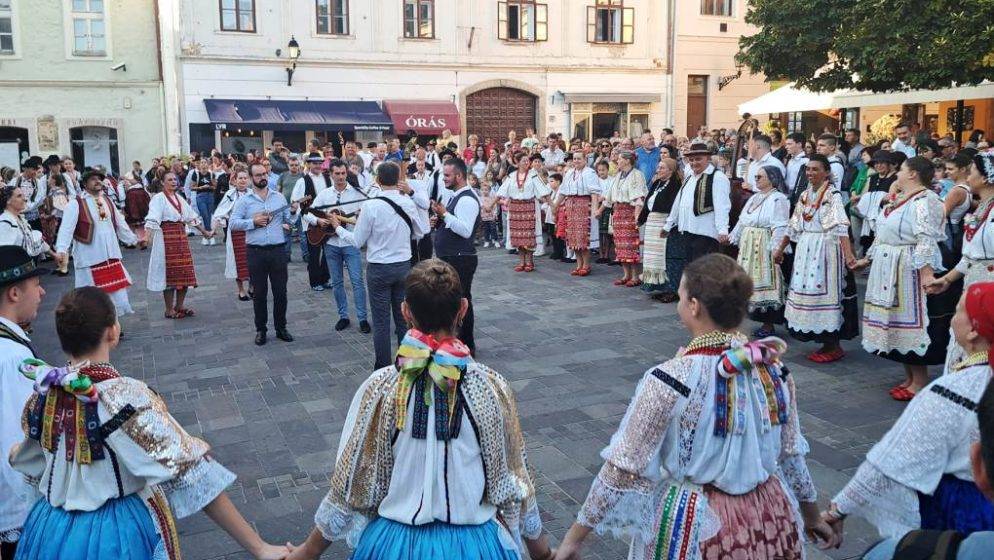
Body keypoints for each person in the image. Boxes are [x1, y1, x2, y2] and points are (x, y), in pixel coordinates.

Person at [555, 254, 833, 560]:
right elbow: (791, 455)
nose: (678, 303)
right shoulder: (774, 369)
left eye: (681, 296)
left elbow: (623, 467)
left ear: (694, 306)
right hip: (769, 516)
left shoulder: (670, 378)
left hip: (698, 523)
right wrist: (811, 516)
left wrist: (574, 538)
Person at [285, 260, 551, 560]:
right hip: (474, 546)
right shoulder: (491, 388)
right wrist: (542, 552)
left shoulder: (383, 387)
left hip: (393, 545)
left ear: (405, 311)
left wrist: (308, 552)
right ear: (463, 309)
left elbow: (355, 484)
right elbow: (514, 479)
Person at [8, 287, 291, 560]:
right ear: (112, 332)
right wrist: (259, 548)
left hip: (49, 528)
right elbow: (189, 471)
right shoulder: (122, 396)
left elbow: (29, 464)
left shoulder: (44, 396)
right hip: (115, 533)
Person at [823, 283, 994, 551]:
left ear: (973, 329)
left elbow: (894, 462)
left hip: (968, 513)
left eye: (957, 310)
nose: (952, 317)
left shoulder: (952, 392)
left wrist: (838, 509)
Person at [854, 157, 949, 400]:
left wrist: (927, 273)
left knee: (911, 322)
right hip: (890, 263)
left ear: (913, 174)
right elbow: (883, 233)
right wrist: (868, 258)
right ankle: (909, 376)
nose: (897, 174)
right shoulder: (900, 199)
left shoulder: (925, 200)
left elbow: (926, 238)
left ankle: (919, 379)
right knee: (895, 322)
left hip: (908, 266)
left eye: (902, 170)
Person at [329, 162, 427, 369]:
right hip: (403, 265)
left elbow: (357, 241)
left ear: (378, 180)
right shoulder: (407, 203)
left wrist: (338, 228)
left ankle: (382, 367)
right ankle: (407, 366)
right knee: (403, 319)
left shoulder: (371, 206)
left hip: (379, 268)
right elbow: (420, 232)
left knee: (381, 322)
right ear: (398, 180)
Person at [774, 154, 859, 363]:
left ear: (827, 172)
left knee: (827, 295)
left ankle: (833, 344)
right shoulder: (805, 195)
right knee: (809, 292)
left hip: (826, 249)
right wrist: (780, 249)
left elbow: (840, 226)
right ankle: (823, 341)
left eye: (815, 169)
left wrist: (848, 256)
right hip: (807, 249)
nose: (810, 173)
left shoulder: (832, 195)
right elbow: (793, 225)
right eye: (808, 169)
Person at [927, 152, 994, 371]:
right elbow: (970, 257)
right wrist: (947, 279)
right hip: (973, 283)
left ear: (985, 178)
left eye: (972, 171)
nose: (968, 177)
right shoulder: (983, 208)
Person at [0, 246, 45, 560]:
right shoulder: (13, 358)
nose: (42, 292)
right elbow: (16, 445)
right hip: (20, 513)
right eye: (35, 286)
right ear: (14, 293)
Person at [55, 169, 138, 318]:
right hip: (89, 257)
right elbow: (66, 228)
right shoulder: (75, 204)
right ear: (85, 184)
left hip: (111, 255)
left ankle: (113, 325)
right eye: (93, 179)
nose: (97, 181)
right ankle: (97, 327)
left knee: (115, 294)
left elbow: (120, 223)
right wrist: (61, 249)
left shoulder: (107, 200)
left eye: (99, 178)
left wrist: (132, 239)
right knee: (91, 296)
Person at [230, 163, 294, 346]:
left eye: (264, 174)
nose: (262, 177)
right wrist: (252, 222)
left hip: (277, 250)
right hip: (255, 252)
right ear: (251, 178)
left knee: (281, 292)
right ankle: (261, 329)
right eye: (257, 175)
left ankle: (281, 327)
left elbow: (288, 220)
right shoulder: (244, 201)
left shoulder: (279, 198)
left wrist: (294, 215)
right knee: (259, 293)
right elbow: (234, 223)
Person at [305, 159, 371, 333]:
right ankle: (343, 316)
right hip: (331, 244)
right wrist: (318, 220)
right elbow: (307, 213)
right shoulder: (325, 194)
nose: (341, 177)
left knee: (357, 281)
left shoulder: (358, 194)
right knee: (337, 282)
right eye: (337, 174)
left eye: (343, 173)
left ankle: (363, 318)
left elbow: (366, 217)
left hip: (350, 242)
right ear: (331, 174)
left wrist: (359, 218)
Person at [662, 142, 731, 295]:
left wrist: (722, 229)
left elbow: (722, 205)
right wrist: (668, 224)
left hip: (705, 231)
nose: (694, 163)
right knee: (692, 266)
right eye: (691, 160)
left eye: (698, 159)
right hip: (688, 229)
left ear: (707, 158)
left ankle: (707, 298)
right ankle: (696, 297)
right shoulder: (689, 177)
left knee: (704, 267)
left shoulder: (717, 177)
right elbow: (679, 202)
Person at [731, 165, 790, 338]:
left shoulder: (778, 199)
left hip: (764, 243)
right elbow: (742, 221)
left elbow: (780, 225)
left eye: (760, 177)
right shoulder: (754, 198)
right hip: (749, 245)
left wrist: (777, 249)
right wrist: (733, 236)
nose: (756, 179)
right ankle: (751, 317)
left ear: (772, 179)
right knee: (749, 281)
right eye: (755, 176)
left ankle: (768, 323)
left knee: (766, 280)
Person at [145, 171, 213, 319]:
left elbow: (191, 217)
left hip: (181, 238)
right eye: (170, 180)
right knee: (169, 273)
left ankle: (179, 305)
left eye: (175, 179)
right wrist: (147, 236)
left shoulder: (179, 198)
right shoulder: (158, 199)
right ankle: (169, 309)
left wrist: (205, 232)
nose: (174, 182)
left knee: (184, 272)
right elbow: (153, 218)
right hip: (166, 238)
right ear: (162, 183)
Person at [431, 157, 480, 355]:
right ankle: (457, 341)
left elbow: (466, 230)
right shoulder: (457, 195)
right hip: (452, 256)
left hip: (460, 258)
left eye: (447, 175)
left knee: (461, 302)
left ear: (459, 176)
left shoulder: (467, 198)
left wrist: (445, 215)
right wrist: (441, 220)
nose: (444, 179)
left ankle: (466, 343)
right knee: (454, 301)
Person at [598, 150, 648, 286]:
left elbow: (639, 197)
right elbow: (609, 196)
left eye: (619, 159)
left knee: (631, 245)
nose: (617, 161)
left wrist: (637, 215)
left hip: (630, 212)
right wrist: (600, 210)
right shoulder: (618, 175)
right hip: (619, 213)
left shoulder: (637, 175)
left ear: (627, 160)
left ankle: (635, 276)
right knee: (620, 245)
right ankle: (626, 274)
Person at [496, 152, 551, 272]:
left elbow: (544, 191)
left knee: (529, 236)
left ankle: (530, 261)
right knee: (518, 237)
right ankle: (521, 262)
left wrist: (552, 205)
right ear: (517, 162)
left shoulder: (533, 175)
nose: (527, 163)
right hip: (515, 208)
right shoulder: (512, 176)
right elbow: (501, 191)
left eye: (528, 161)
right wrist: (490, 204)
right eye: (524, 160)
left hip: (529, 207)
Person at [639, 158, 681, 300]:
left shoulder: (676, 185)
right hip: (652, 222)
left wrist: (668, 224)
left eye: (662, 168)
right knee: (652, 257)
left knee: (664, 257)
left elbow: (673, 206)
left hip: (664, 222)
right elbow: (647, 203)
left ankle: (669, 289)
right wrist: (640, 220)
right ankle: (656, 285)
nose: (658, 170)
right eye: (658, 168)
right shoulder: (657, 183)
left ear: (671, 170)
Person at [554, 150, 601, 276]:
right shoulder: (569, 172)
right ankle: (578, 264)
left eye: (579, 159)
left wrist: (596, 209)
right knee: (573, 238)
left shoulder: (590, 173)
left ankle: (586, 265)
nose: (576, 161)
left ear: (585, 160)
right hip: (571, 206)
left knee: (583, 237)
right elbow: (563, 191)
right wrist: (555, 205)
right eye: (574, 159)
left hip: (584, 205)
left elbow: (594, 192)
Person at [292, 153, 333, 291]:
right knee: (314, 254)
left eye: (319, 162)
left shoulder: (328, 179)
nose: (317, 165)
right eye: (314, 163)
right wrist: (315, 220)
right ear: (308, 164)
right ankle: (315, 282)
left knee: (328, 253)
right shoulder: (302, 181)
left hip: (327, 221)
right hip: (310, 223)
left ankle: (325, 279)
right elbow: (298, 205)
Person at [213, 166, 253, 301]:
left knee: (253, 258)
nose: (242, 180)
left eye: (245, 178)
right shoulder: (230, 195)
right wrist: (214, 228)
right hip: (236, 232)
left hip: (251, 230)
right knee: (238, 260)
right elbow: (220, 212)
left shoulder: (253, 194)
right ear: (234, 180)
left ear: (249, 180)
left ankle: (252, 287)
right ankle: (241, 290)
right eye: (240, 178)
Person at [0, 186, 51, 263]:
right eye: (19, 196)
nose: (25, 199)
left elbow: (34, 240)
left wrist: (54, 254)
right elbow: (4, 252)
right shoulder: (5, 222)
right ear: (8, 200)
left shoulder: (19, 218)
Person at [188, 158, 218, 246]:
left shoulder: (211, 174)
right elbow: (192, 187)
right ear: (199, 164)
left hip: (210, 195)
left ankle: (206, 236)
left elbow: (215, 186)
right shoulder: (196, 174)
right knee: (204, 214)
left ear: (208, 164)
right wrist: (201, 187)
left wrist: (210, 186)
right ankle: (210, 236)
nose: (204, 164)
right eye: (202, 162)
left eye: (205, 162)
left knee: (208, 216)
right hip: (200, 196)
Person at [8, 157, 43, 231]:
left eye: (36, 170)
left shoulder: (38, 183)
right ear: (25, 169)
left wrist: (25, 208)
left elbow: (38, 200)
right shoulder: (14, 181)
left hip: (33, 219)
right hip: (17, 217)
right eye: (33, 169)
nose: (35, 172)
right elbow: (9, 196)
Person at [124, 174, 151, 249]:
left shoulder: (130, 192)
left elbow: (129, 204)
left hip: (133, 213)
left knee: (134, 228)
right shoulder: (142, 190)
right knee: (141, 228)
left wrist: (129, 212)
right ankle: (143, 242)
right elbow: (148, 200)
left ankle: (134, 242)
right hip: (144, 212)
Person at [784, 132, 810, 210]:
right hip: (786, 195)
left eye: (789, 144)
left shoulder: (806, 161)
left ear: (799, 144)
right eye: (786, 144)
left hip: (798, 198)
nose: (786, 147)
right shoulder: (789, 159)